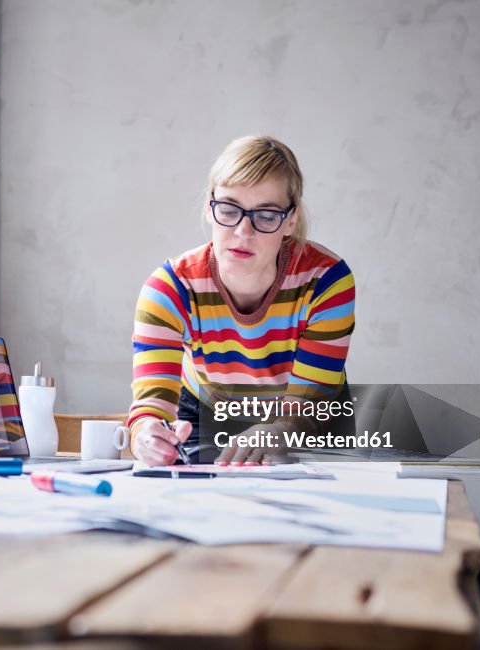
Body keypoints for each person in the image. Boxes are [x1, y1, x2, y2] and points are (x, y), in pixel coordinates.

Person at [128, 135, 355, 466]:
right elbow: (150, 409)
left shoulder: (326, 281)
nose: (243, 232)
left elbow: (307, 406)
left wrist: (282, 429)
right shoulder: (169, 289)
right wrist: (147, 436)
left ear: (291, 220)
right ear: (210, 207)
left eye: (265, 215)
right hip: (209, 409)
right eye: (229, 208)